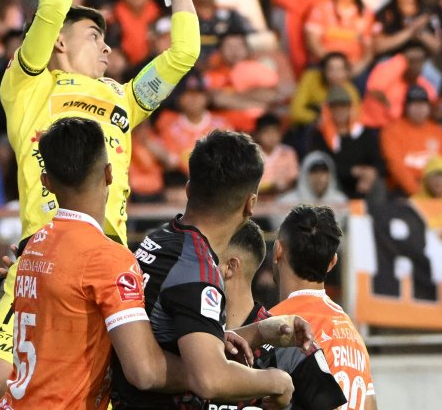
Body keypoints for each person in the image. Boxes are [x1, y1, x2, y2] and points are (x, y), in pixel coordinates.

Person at [0, 0, 201, 407]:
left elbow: (184, 54)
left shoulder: (123, 100)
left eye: (108, 41)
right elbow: (48, 12)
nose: (107, 50)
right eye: (94, 37)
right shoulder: (28, 87)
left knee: (99, 394)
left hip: (109, 263)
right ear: (58, 44)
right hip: (44, 262)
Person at [0, 117, 188, 409]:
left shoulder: (34, 245)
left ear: (46, 182)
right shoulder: (106, 257)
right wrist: (207, 372)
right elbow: (145, 371)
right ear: (109, 173)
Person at [112, 130, 308, 409]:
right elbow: (208, 379)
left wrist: (259, 332)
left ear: (189, 189)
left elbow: (169, 335)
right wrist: (276, 381)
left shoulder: (158, 239)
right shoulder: (197, 270)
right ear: (251, 204)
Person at [201, 220, 347, 410]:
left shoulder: (290, 345)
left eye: (205, 258)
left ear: (230, 267)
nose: (195, 267)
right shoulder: (193, 339)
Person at [269, 204, 377, 410]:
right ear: (332, 262)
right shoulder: (352, 333)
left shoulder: (272, 326)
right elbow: (370, 405)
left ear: (277, 250)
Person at [310, 86, 386, 202]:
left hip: (362, 183)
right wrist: (352, 171)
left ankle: (376, 218)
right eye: (335, 107)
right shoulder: (319, 136)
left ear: (350, 108)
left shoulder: (364, 133)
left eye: (343, 106)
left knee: (378, 185)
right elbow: (320, 165)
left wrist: (371, 173)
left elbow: (379, 161)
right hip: (335, 183)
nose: (340, 111)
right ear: (328, 110)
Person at [379, 85, 442, 196]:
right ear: (406, 107)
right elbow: (396, 166)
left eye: (422, 104)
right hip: (403, 189)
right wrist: (418, 193)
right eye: (414, 104)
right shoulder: (391, 130)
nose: (419, 109)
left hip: (435, 188)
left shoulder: (439, 132)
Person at [360, 40, 438, 128]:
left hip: (399, 130)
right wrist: (389, 106)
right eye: (411, 61)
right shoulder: (391, 69)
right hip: (371, 125)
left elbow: (433, 103)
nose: (415, 65)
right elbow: (374, 90)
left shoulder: (423, 84)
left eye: (419, 61)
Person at [372, 0, 442, 59]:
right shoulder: (385, 13)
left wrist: (420, 33)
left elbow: (439, 46)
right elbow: (378, 46)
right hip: (393, 60)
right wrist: (410, 31)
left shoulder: (429, 12)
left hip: (424, 61)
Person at [289, 52, 360, 127]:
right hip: (312, 126)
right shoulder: (311, 78)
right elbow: (295, 111)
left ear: (347, 73)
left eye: (339, 69)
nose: (335, 74)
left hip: (336, 129)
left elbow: (356, 116)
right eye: (331, 69)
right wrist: (316, 118)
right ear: (324, 70)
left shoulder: (350, 91)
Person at [253, 113, 299, 196]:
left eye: (274, 132)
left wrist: (282, 188)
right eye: (267, 133)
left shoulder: (288, 153)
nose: (271, 137)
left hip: (283, 198)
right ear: (258, 134)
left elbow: (294, 180)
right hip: (258, 200)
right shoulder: (251, 155)